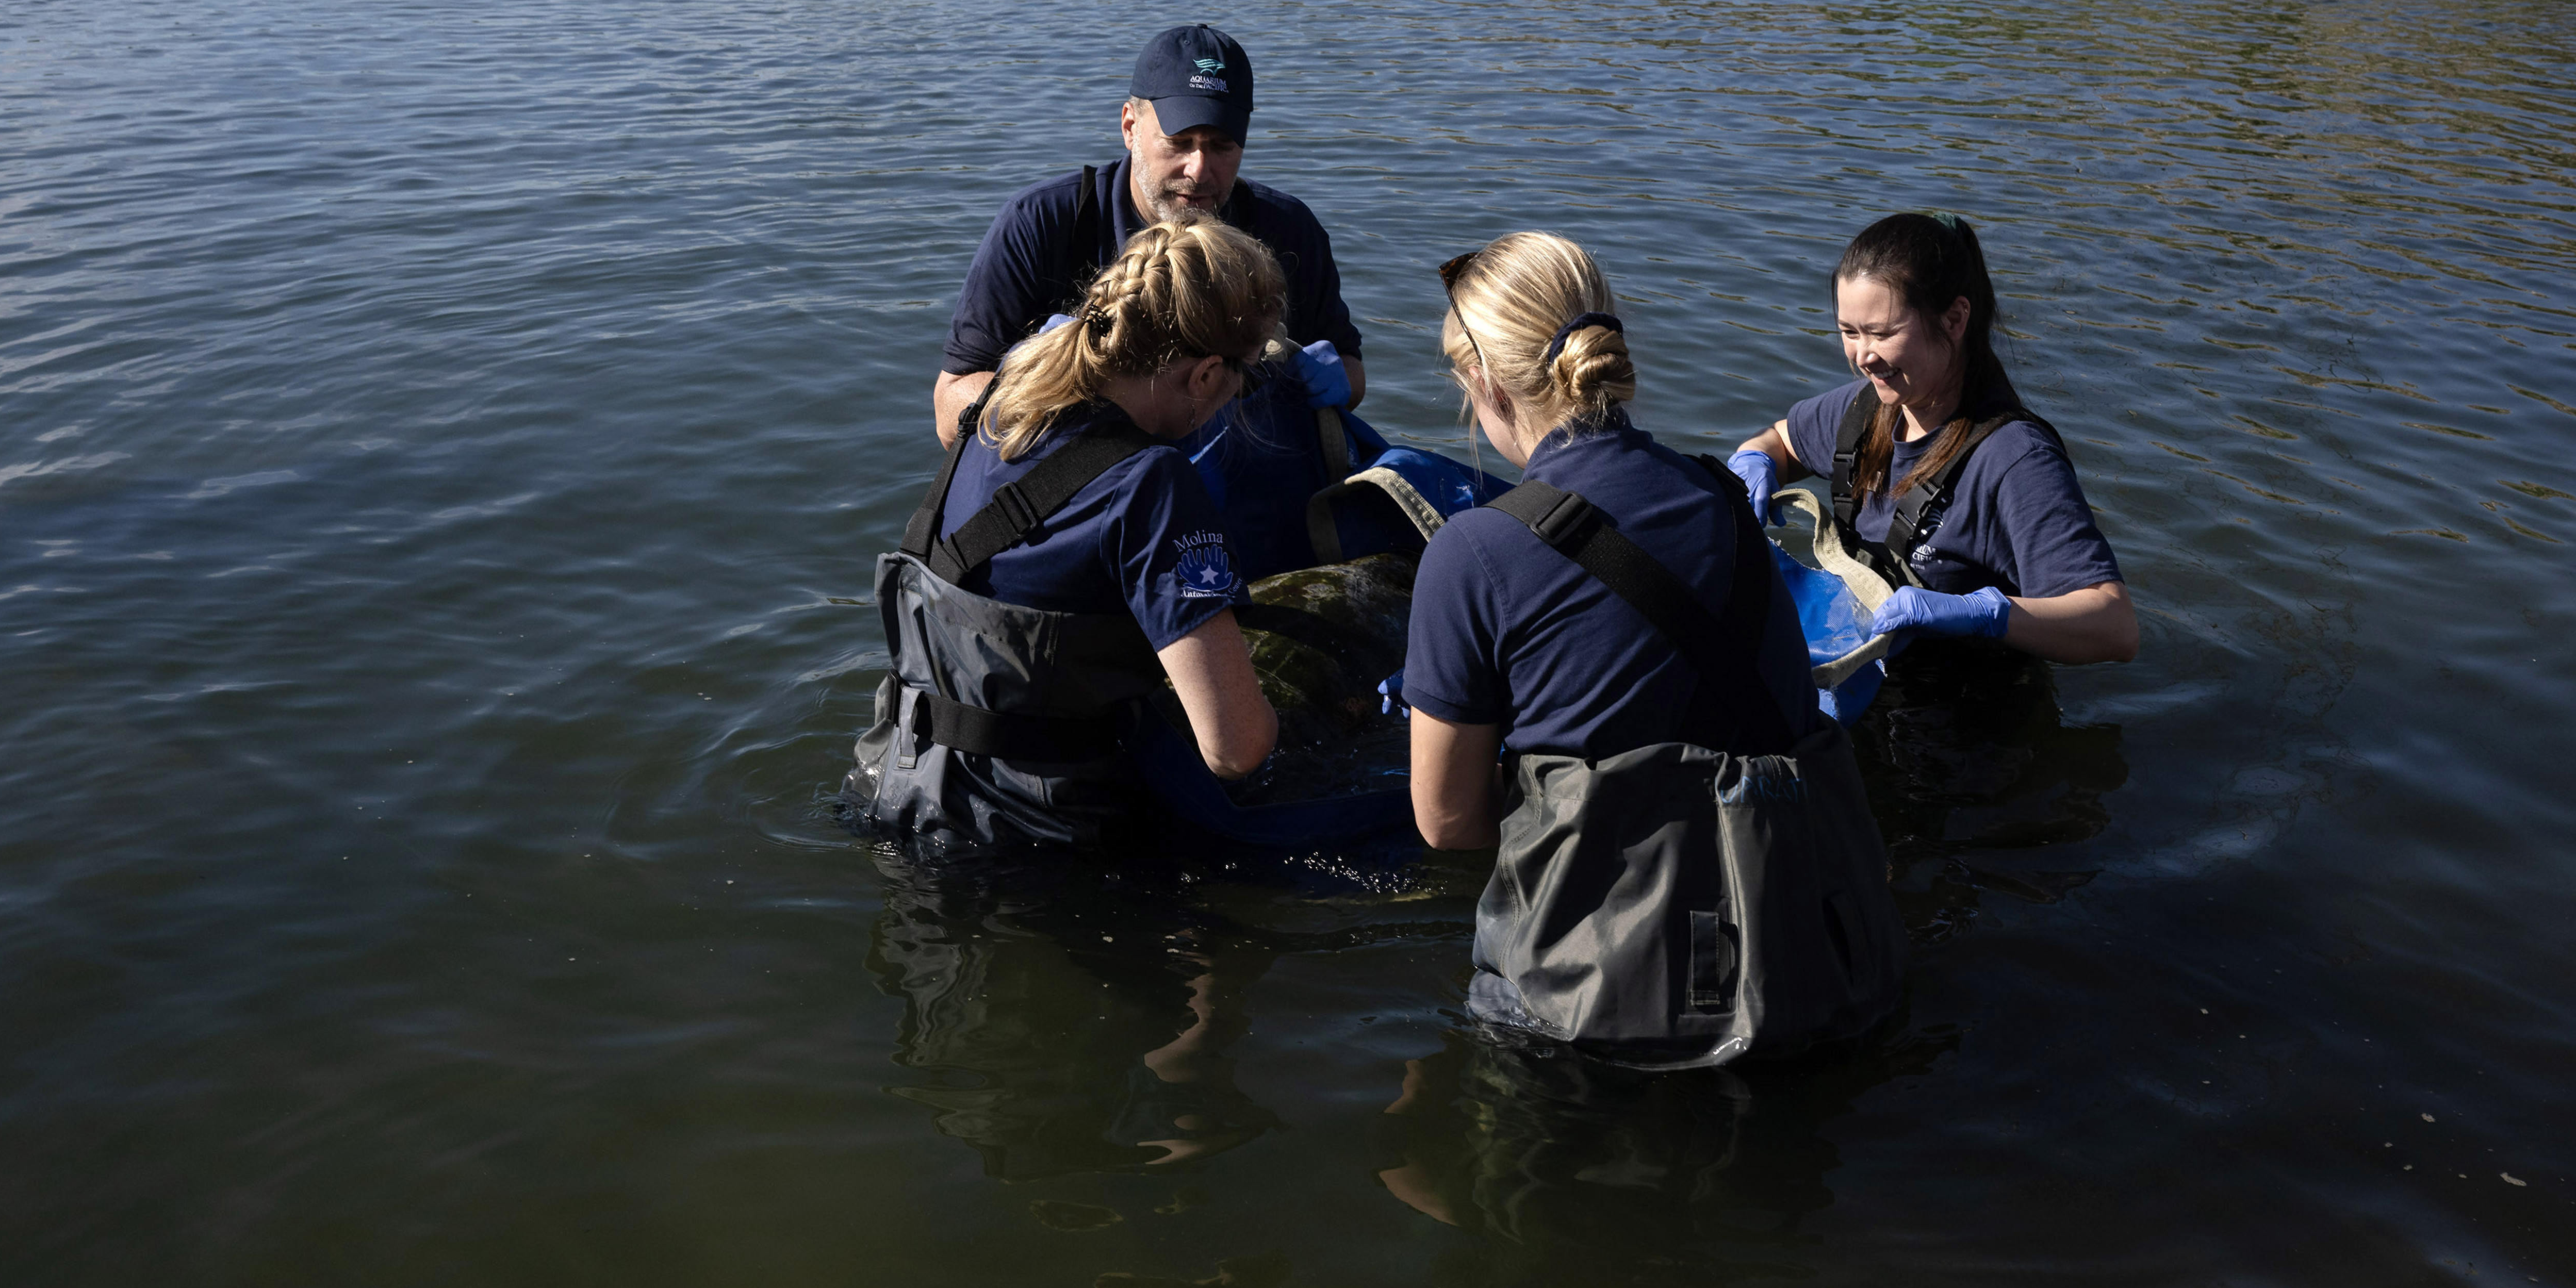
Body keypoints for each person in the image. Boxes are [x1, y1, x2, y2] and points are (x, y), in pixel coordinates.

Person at [1403, 235, 1897, 1065]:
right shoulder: (1725, 499)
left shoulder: (1473, 551)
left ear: (1483, 383)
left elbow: (1448, 824)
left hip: (1593, 1015)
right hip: (1806, 969)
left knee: (1414, 1164)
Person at [852, 217, 1285, 850]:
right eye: (1247, 374)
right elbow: (1236, 748)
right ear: (1205, 374)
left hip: (901, 787)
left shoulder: (1001, 403)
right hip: (1034, 844)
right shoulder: (1152, 485)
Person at [931, 26, 1365, 576]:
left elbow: (1352, 375)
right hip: (1092, 521)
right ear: (1130, 126)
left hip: (1244, 525)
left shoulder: (1287, 231)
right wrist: (1047, 382)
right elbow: (951, 413)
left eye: (1223, 145)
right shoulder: (1042, 224)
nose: (1200, 171)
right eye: (1180, 143)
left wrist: (1326, 377)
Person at [1731, 212, 2137, 669]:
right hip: (1859, 676)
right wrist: (1755, 459)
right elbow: (1781, 440)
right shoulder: (1863, 410)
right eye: (1849, 332)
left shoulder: (2017, 461)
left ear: (1955, 319)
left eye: (1883, 333)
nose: (1863, 357)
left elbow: (2116, 628)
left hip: (1961, 716)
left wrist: (1984, 613)